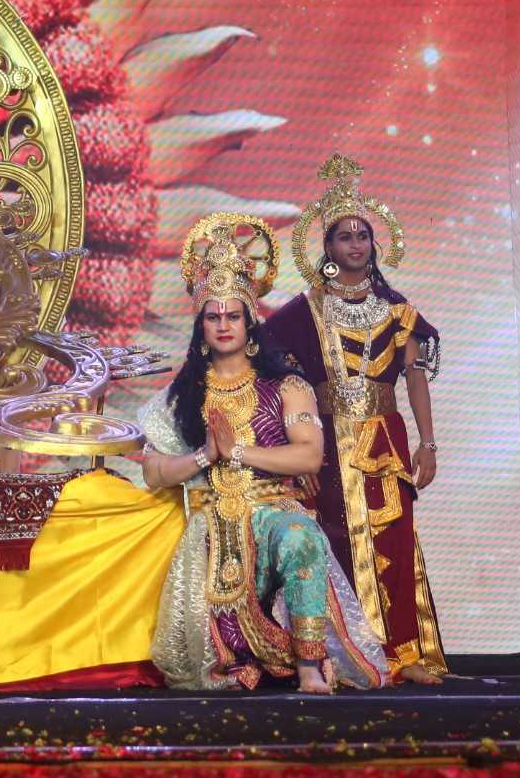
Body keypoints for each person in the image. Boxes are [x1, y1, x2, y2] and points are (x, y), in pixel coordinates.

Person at [142, 212, 389, 693]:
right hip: (212, 524)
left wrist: (238, 451)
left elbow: (308, 457)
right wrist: (204, 457)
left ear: (249, 320)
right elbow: (154, 472)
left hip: (274, 511)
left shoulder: (287, 386)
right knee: (209, 657)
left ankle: (309, 665)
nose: (223, 325)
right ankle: (239, 659)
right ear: (200, 326)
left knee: (301, 536)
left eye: (232, 315)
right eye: (213, 317)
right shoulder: (181, 396)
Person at [263, 153, 447, 684]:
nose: (355, 244)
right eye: (344, 237)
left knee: (394, 543)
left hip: (385, 440)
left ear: (374, 243)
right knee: (335, 542)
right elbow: (270, 368)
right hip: (326, 445)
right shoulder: (306, 308)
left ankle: (403, 656)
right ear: (328, 248)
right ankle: (342, 655)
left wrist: (428, 443)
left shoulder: (397, 311)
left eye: (363, 235)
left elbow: (414, 377)